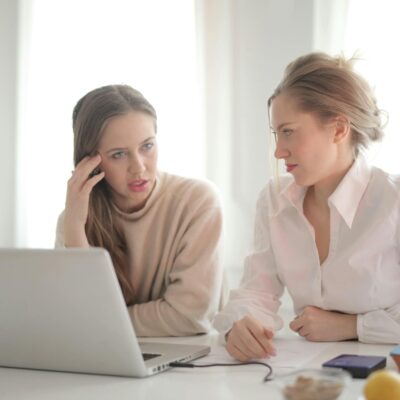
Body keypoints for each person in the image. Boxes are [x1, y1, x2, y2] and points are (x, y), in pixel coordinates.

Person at [213, 52, 400, 361]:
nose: (278, 151)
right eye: (277, 134)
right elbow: (257, 291)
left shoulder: (392, 201)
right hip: (305, 373)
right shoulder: (274, 200)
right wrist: (240, 326)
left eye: (288, 132)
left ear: (339, 129)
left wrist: (352, 326)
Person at [55, 84, 225, 337]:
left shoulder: (198, 201)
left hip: (195, 359)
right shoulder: (74, 220)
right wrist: (75, 230)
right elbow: (74, 317)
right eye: (119, 154)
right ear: (90, 162)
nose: (138, 168)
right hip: (110, 357)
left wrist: (103, 322)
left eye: (147, 146)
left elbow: (190, 317)